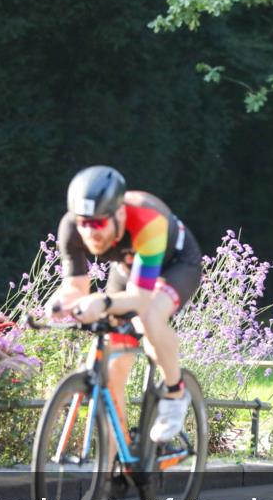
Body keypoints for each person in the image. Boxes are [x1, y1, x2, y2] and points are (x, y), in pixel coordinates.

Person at [45, 165, 202, 454]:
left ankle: (175, 392)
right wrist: (57, 305)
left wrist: (102, 302)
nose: (90, 232)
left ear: (118, 214)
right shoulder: (71, 226)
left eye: (97, 224)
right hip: (129, 267)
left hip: (176, 265)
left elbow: (140, 299)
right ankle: (117, 463)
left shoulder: (147, 220)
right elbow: (75, 287)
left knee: (150, 318)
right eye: (84, 223)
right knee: (112, 367)